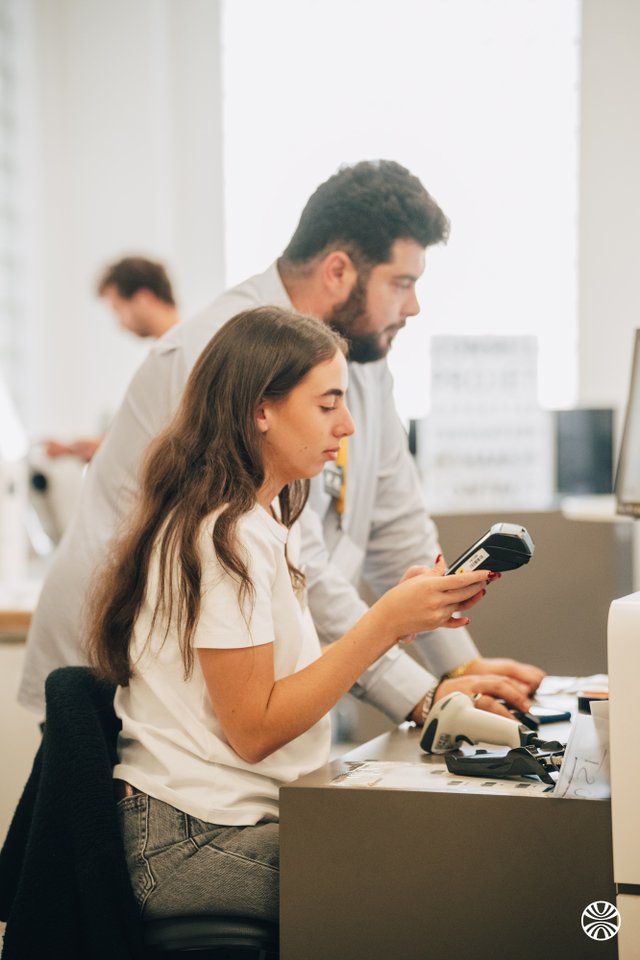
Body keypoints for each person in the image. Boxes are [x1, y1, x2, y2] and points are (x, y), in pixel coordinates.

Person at [20, 159, 543, 724]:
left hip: (227, 671)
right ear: (339, 271)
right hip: (118, 673)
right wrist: (422, 698)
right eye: (402, 283)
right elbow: (299, 560)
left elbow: (397, 526)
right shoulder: (224, 355)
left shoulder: (357, 361)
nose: (413, 306)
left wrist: (460, 674)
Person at [87, 305, 493, 921]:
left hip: (238, 819)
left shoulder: (267, 518)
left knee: (433, 853)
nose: (348, 424)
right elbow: (255, 729)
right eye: (328, 404)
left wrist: (398, 619)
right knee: (428, 882)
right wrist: (386, 623)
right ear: (261, 410)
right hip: (190, 843)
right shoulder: (223, 535)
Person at [44, 256, 180, 463]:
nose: (120, 325)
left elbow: (175, 442)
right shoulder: (167, 356)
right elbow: (152, 435)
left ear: (144, 299)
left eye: (118, 309)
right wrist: (86, 448)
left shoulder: (181, 356)